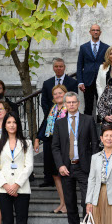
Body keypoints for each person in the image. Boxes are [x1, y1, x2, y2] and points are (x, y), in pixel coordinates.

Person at [51, 92, 100, 224]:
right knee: (70, 202)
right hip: (66, 168)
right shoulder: (59, 123)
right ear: (65, 104)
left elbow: (95, 144)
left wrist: (93, 165)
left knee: (87, 202)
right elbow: (55, 147)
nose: (71, 105)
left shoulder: (88, 120)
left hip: (84, 166)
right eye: (69, 102)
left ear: (79, 103)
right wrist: (60, 165)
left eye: (74, 102)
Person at [34, 85, 68, 214]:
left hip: (62, 145)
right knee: (55, 174)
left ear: (65, 93)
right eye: (55, 94)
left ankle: (67, 204)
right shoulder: (52, 109)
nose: (58, 95)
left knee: (62, 173)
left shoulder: (69, 107)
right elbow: (45, 123)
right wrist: (37, 138)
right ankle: (62, 203)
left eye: (60, 93)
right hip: (50, 143)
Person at [77, 24, 109, 115]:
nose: (95, 32)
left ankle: (101, 127)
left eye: (97, 30)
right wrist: (80, 81)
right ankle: (88, 127)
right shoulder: (83, 47)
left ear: (100, 32)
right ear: (90, 32)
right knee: (88, 107)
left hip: (101, 80)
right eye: (93, 30)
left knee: (102, 105)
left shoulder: (106, 47)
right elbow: (79, 65)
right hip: (87, 81)